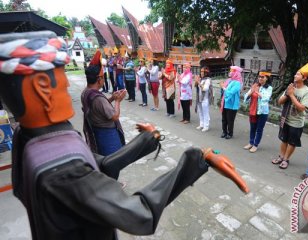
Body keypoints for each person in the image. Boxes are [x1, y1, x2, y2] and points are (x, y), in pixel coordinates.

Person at [0, 30, 250, 240]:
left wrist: (147, 140)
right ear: (42, 88)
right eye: (62, 78)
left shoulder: (29, 136)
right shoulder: (63, 171)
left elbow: (100, 165)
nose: (66, 85)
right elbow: (141, 215)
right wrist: (198, 160)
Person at [81, 51, 127, 156]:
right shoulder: (98, 98)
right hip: (107, 135)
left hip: (97, 131)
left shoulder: (85, 92)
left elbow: (98, 108)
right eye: (103, 77)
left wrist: (111, 98)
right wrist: (118, 101)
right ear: (99, 79)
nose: (104, 80)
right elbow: (114, 116)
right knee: (112, 161)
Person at [271, 61, 308, 169]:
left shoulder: (307, 91)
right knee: (283, 139)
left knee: (292, 142)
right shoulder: (290, 87)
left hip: (297, 121)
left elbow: (302, 108)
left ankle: (286, 159)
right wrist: (287, 93)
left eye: (298, 74)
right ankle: (281, 157)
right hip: (285, 118)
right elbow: (280, 101)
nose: (295, 75)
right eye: (296, 73)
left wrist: (291, 94)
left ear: (304, 78)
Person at [243, 71, 273, 153]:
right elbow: (246, 96)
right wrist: (251, 92)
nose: (260, 78)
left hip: (262, 112)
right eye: (259, 77)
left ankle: (255, 145)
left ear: (267, 78)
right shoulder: (255, 85)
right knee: (252, 128)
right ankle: (251, 142)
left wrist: (257, 92)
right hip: (253, 110)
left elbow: (266, 98)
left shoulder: (269, 88)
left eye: (262, 77)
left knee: (259, 129)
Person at [219, 66, 243, 139]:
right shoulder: (229, 80)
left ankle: (230, 133)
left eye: (232, 71)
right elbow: (223, 91)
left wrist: (223, 87)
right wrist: (222, 88)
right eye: (230, 70)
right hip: (225, 103)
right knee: (224, 119)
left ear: (236, 72)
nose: (230, 72)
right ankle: (224, 132)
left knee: (230, 120)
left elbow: (231, 92)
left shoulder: (238, 83)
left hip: (232, 105)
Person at [194, 66, 214, 132]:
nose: (201, 73)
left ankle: (206, 126)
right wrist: (196, 81)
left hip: (205, 99)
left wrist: (199, 82)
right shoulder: (201, 79)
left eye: (203, 71)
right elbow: (196, 86)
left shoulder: (208, 80)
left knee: (205, 112)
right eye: (201, 71)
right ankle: (201, 124)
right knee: (200, 112)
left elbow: (205, 89)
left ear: (206, 72)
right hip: (199, 98)